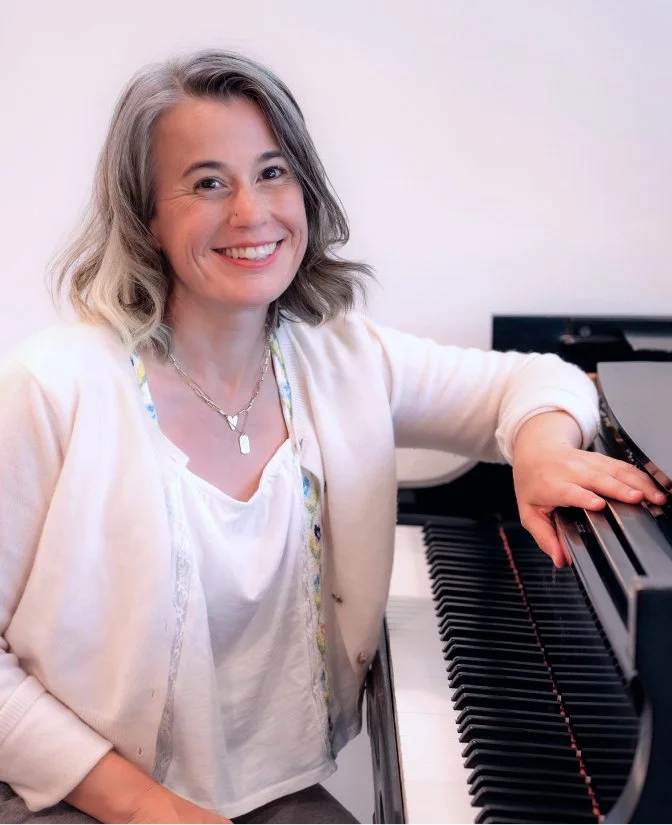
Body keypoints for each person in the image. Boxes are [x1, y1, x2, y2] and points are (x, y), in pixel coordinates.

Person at [0, 50, 663, 825]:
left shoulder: (339, 357)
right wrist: (151, 808)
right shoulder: (53, 387)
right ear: (146, 214)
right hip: (74, 794)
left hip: (271, 801)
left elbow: (538, 379)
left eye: (273, 172)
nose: (251, 211)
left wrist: (540, 450)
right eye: (208, 182)